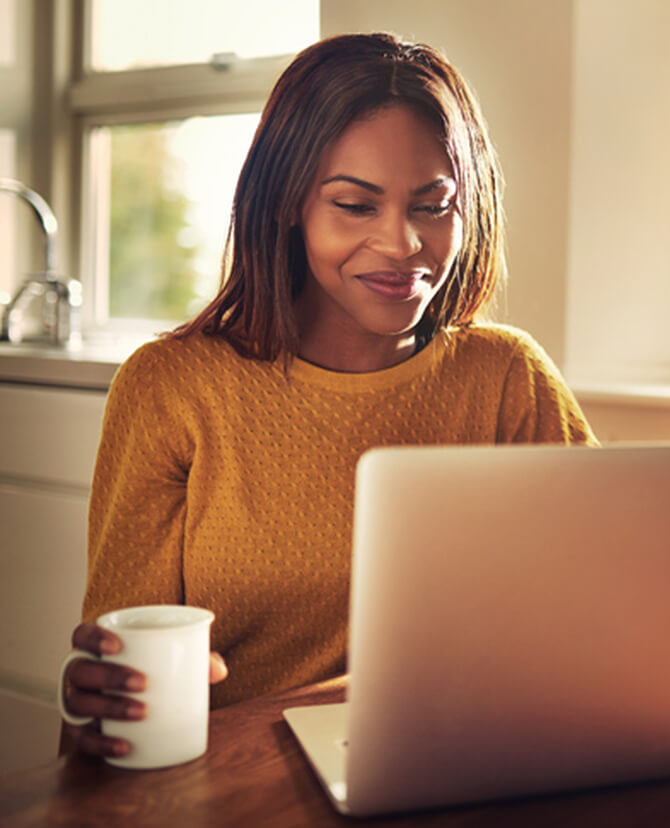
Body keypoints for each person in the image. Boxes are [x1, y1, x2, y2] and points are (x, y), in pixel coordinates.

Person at [60, 32, 596, 760]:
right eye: (355, 205)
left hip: (457, 764)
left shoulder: (508, 380)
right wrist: (101, 703)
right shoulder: (172, 387)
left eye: (434, 206)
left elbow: (605, 610)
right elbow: (114, 687)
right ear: (287, 203)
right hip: (231, 787)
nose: (403, 243)